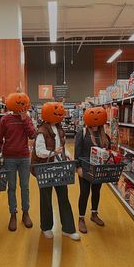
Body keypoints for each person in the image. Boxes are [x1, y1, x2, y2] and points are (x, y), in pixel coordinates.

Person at [31, 102, 80, 241]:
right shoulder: (42, 131)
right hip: (45, 169)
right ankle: (46, 227)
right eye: (56, 112)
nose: (60, 114)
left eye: (61, 112)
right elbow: (39, 152)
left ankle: (68, 229)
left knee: (64, 197)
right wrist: (53, 152)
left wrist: (68, 154)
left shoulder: (59, 129)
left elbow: (61, 147)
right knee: (46, 199)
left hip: (60, 169)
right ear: (47, 114)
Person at [0, 92, 36, 232]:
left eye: (22, 103)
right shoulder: (5, 119)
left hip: (24, 157)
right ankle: (13, 214)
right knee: (11, 187)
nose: (20, 105)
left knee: (25, 186)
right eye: (18, 102)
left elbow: (32, 134)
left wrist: (25, 119)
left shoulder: (27, 119)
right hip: (9, 158)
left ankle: (25, 213)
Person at [74, 106, 110, 234]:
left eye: (99, 114)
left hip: (98, 169)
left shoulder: (104, 135)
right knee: (84, 192)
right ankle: (81, 218)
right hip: (85, 168)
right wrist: (77, 167)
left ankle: (94, 214)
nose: (96, 117)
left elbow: (107, 151)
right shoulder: (82, 133)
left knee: (96, 191)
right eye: (93, 114)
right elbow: (77, 151)